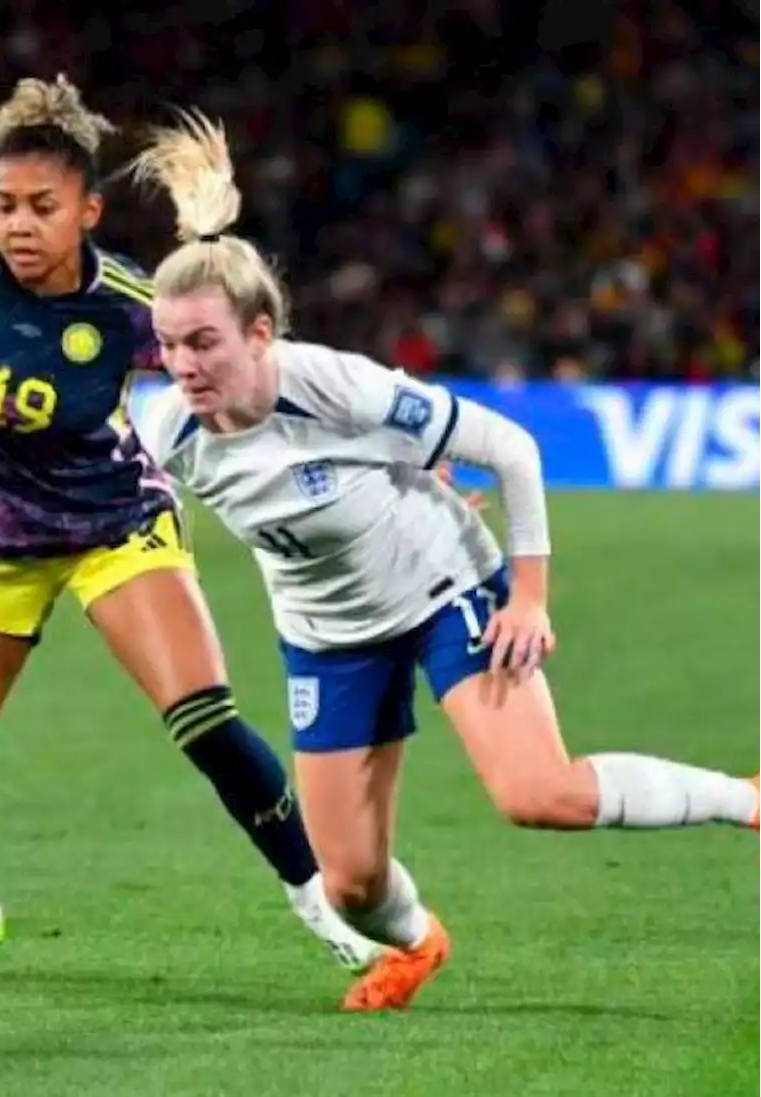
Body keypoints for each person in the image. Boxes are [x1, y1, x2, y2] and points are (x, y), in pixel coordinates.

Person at [127, 109, 761, 1010]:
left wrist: (529, 595)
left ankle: (745, 797)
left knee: (538, 792)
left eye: (205, 342)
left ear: (260, 335)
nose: (183, 364)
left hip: (441, 588)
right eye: (169, 345)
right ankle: (420, 943)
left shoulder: (336, 386)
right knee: (349, 883)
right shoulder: (169, 432)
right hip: (327, 636)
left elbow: (511, 449)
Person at [0, 77, 401, 993]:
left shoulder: (129, 303)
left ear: (89, 211)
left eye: (42, 207)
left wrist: (399, 444)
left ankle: (320, 899)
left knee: (204, 714)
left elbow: (247, 361)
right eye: (3, 205)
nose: (17, 224)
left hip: (115, 526)